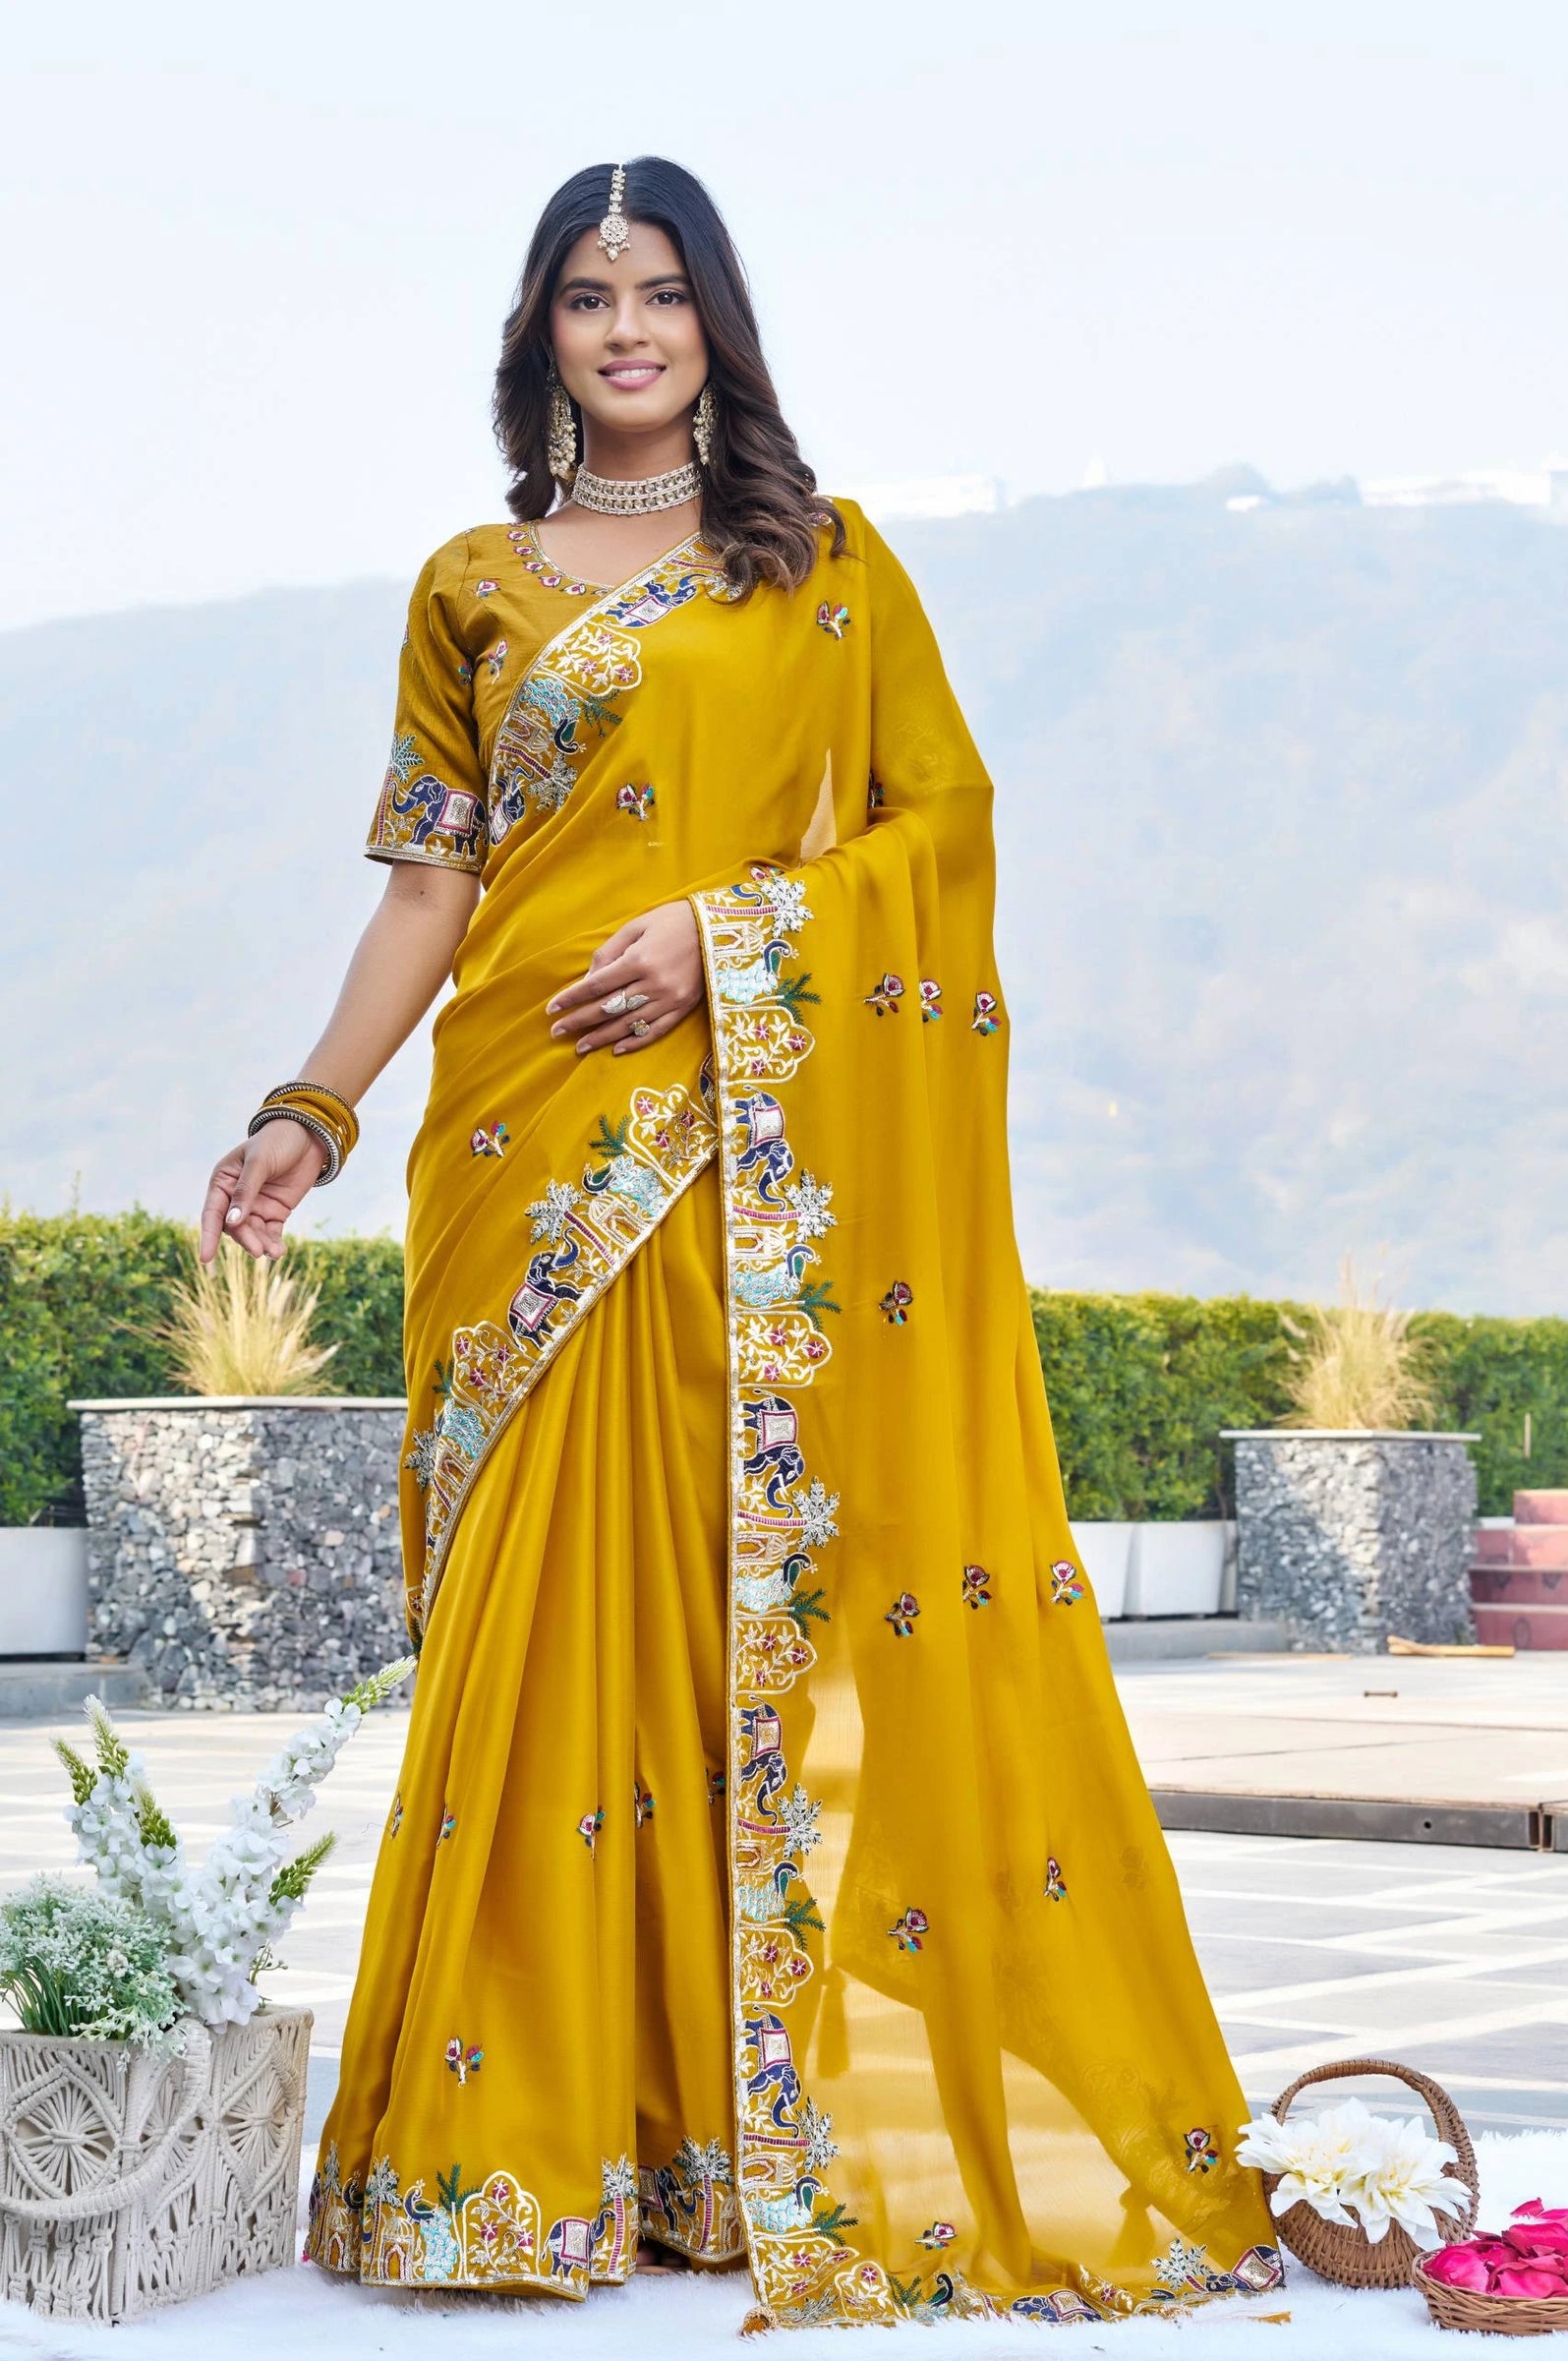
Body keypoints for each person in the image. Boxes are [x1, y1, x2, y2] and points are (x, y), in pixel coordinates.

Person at [202, 156, 1280, 2331]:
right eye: (587, 295)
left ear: (716, 329)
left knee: (717, 1618)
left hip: (727, 1157)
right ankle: (511, 2155)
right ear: (537, 332)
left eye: (661, 295)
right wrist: (307, 1103)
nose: (624, 330)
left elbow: (935, 846)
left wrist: (732, 934)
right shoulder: (469, 582)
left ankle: (718, 2140)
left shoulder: (822, 569)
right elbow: (430, 885)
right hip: (517, 1149)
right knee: (529, 1629)